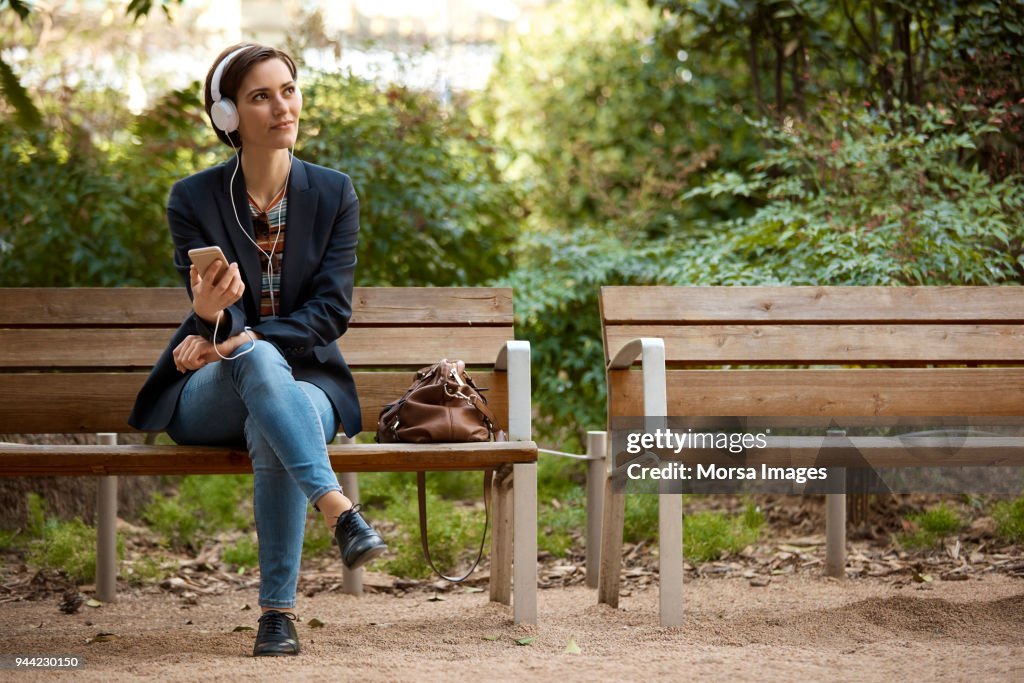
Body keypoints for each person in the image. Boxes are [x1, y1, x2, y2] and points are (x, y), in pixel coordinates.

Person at [128, 43, 387, 657]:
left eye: (288, 91)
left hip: (309, 386)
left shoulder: (334, 193)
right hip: (211, 395)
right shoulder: (193, 199)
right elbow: (219, 312)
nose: (282, 108)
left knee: (270, 410)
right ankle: (338, 510)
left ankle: (277, 618)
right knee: (258, 362)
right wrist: (212, 317)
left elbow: (331, 310)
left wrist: (245, 340)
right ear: (229, 116)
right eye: (261, 97)